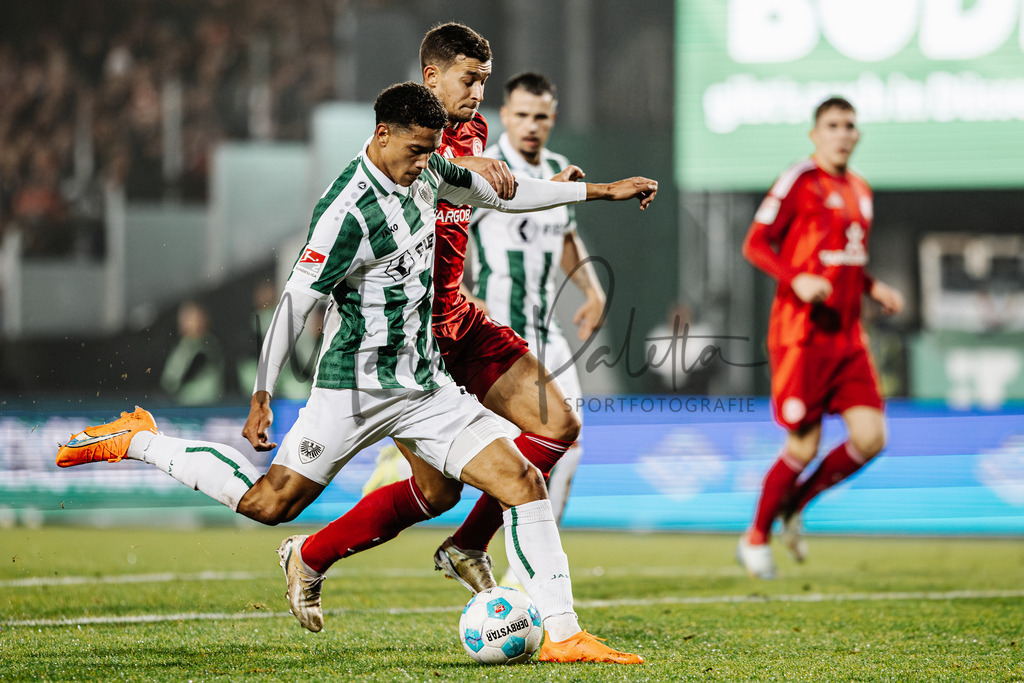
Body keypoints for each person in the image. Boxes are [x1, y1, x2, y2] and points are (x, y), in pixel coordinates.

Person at [57, 81, 656, 664]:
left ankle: (564, 634)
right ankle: (140, 438)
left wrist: (601, 193)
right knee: (269, 504)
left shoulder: (429, 173)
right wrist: (262, 393)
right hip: (353, 389)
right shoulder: (345, 213)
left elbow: (503, 193)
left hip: (424, 387)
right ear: (382, 135)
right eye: (417, 150)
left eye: (432, 151)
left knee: (523, 480)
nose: (426, 163)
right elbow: (296, 302)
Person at [338, 22, 609, 600]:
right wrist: (473, 175)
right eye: (472, 80)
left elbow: (493, 204)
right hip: (406, 335)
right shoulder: (404, 143)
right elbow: (414, 199)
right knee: (296, 497)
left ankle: (497, 562)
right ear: (433, 76)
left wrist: (549, 194)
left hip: (473, 326)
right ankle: (311, 552)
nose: (478, 94)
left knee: (560, 432)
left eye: (485, 82)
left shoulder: (476, 133)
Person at [736, 96, 904, 579]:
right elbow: (755, 243)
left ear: (857, 134)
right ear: (816, 133)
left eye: (850, 126)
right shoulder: (799, 180)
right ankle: (755, 536)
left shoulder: (861, 191)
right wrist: (798, 279)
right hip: (801, 336)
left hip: (849, 338)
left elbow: (848, 258)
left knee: (871, 438)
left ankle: (795, 505)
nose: (842, 133)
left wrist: (874, 287)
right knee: (803, 448)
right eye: (832, 125)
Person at [463, 72, 607, 586]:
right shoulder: (485, 171)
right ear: (505, 114)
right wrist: (460, 296)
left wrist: (592, 288)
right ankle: (477, 549)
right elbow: (445, 235)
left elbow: (566, 235)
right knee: (500, 457)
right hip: (494, 338)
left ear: (552, 118)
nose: (531, 125)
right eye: (521, 114)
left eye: (541, 116)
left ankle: (520, 579)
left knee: (565, 447)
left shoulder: (553, 173)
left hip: (548, 336)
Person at [159, 300, 225, 405]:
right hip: (183, 406)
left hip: (209, 406)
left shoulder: (211, 344)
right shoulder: (180, 347)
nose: (189, 322)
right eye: (185, 318)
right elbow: (169, 382)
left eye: (194, 317)